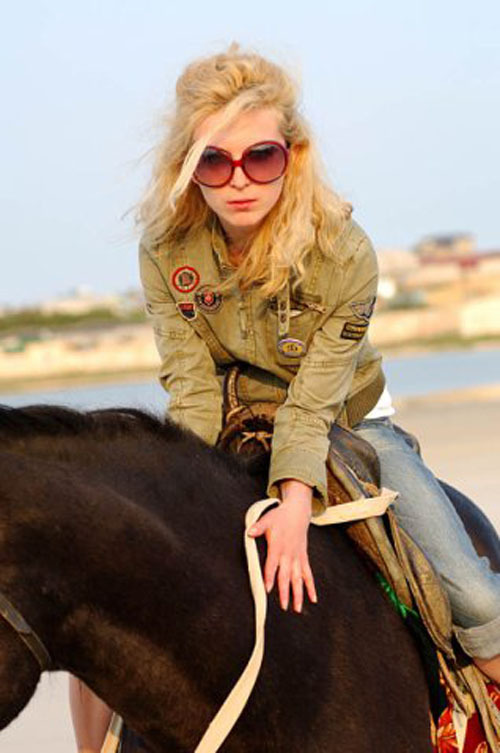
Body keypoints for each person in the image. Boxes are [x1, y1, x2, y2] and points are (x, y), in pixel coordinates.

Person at [69, 43, 500, 752]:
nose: (238, 179)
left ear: (292, 156)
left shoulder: (344, 251)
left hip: (345, 419)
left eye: (260, 157)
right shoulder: (164, 251)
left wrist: (295, 498)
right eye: (214, 161)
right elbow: (191, 387)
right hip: (229, 417)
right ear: (188, 167)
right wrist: (178, 488)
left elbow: (312, 403)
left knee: (477, 596)